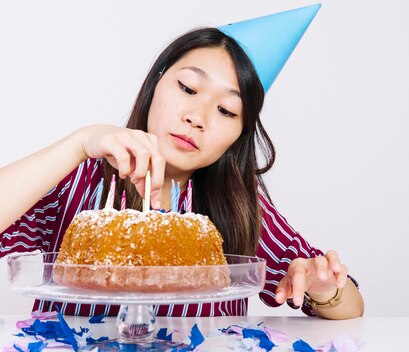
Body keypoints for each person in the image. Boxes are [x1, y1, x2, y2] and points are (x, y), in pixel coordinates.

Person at [0, 5, 364, 320]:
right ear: (155, 84)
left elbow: (350, 305)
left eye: (226, 110)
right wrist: (77, 144)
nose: (197, 116)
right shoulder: (80, 179)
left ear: (239, 133)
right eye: (188, 88)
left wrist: (323, 288)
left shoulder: (240, 208)